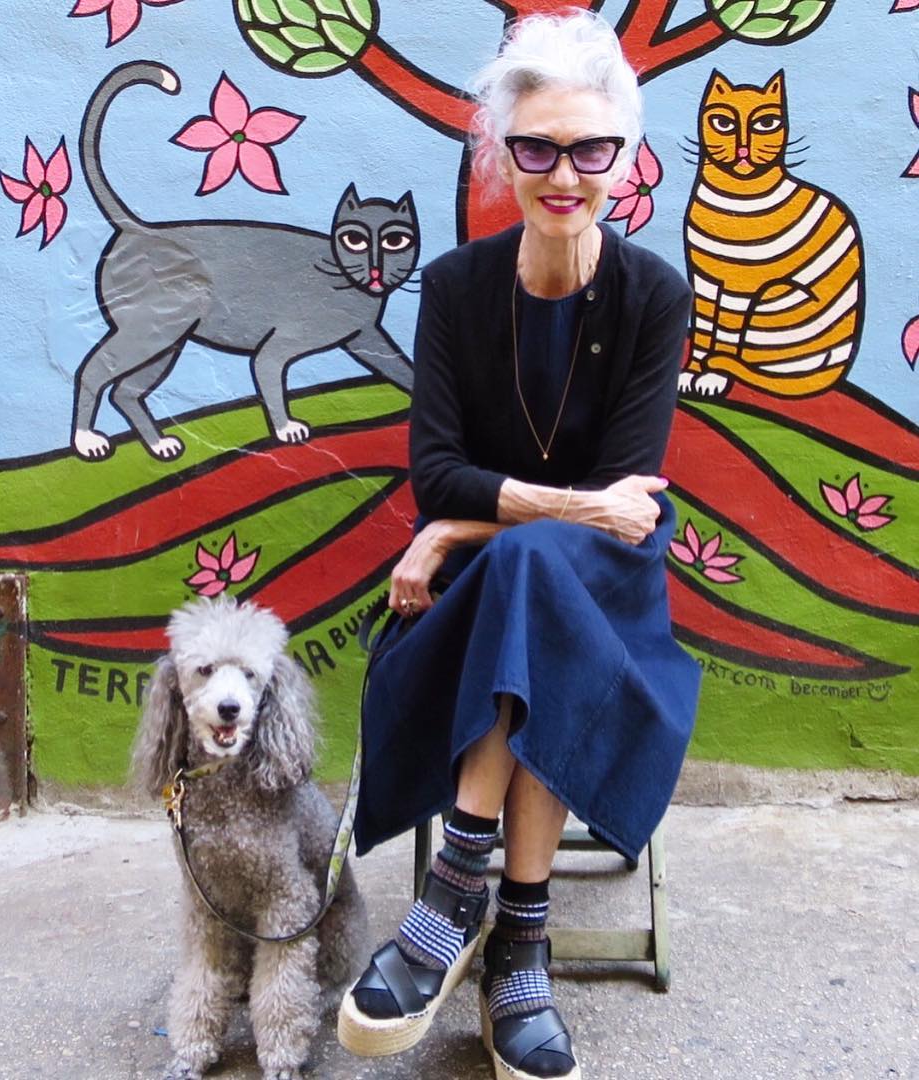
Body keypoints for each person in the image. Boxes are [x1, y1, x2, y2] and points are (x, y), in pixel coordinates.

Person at [337, 11, 702, 1080]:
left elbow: (624, 494)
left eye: (591, 150)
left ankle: (455, 893)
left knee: (537, 575)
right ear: (502, 153)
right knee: (529, 575)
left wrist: (462, 522)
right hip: (477, 602)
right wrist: (498, 515)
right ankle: (520, 940)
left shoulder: (654, 295)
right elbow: (440, 472)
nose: (564, 175)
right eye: (536, 148)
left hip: (610, 603)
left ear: (624, 159)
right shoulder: (456, 288)